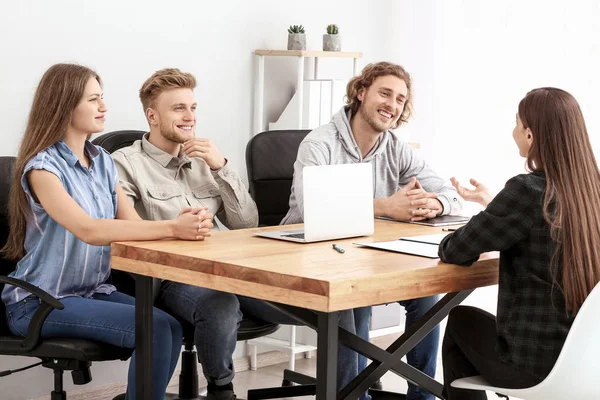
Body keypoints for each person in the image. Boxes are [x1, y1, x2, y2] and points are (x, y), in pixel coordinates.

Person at [1, 63, 214, 400]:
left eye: (102, 98)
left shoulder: (101, 160)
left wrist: (184, 223)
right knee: (156, 329)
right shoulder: (42, 168)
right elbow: (88, 229)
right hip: (40, 301)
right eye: (94, 99)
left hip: (92, 291)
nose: (104, 107)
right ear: (64, 105)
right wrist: (172, 226)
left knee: (170, 325)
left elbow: (132, 228)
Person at [281, 61, 463, 400]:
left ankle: (422, 395)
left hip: (369, 255)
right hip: (308, 258)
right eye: (385, 93)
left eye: (400, 99)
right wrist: (384, 206)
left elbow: (452, 195)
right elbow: (311, 209)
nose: (392, 105)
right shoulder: (319, 143)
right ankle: (354, 395)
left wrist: (436, 204)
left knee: (426, 296)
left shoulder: (395, 147)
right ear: (360, 93)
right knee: (353, 301)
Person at [439, 87, 600, 399]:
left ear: (530, 134)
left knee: (461, 320)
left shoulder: (526, 191)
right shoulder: (591, 192)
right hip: (587, 365)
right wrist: (493, 205)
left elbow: (456, 250)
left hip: (533, 367)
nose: (513, 130)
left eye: (516, 122)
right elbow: (540, 225)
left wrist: (485, 215)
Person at [112, 68, 258, 400]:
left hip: (227, 265)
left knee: (308, 298)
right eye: (178, 108)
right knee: (219, 303)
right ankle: (222, 389)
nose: (189, 116)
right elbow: (125, 230)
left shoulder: (206, 159)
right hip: (170, 277)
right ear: (152, 115)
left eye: (192, 107)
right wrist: (174, 231)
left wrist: (222, 167)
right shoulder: (125, 163)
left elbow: (248, 225)